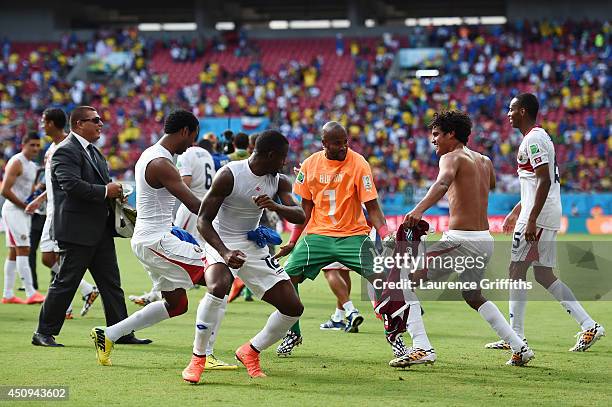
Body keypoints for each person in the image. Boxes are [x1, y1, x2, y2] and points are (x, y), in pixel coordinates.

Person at [389, 110, 535, 367]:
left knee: (404, 281)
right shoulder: (484, 160)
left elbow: (443, 183)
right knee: (472, 294)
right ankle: (519, 347)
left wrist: (419, 209)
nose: (433, 141)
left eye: (436, 135)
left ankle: (422, 347)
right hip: (484, 239)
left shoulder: (450, 157)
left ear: (451, 134)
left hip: (460, 241)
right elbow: (486, 185)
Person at [181, 129, 306, 383]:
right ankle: (198, 358)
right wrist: (225, 252)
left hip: (253, 245)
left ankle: (250, 351)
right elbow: (203, 221)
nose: (285, 162)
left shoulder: (279, 181)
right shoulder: (229, 174)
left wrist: (275, 206)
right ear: (270, 154)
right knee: (218, 286)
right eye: (282, 157)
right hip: (221, 241)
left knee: (293, 308)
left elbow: (300, 215)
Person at [484, 93, 605, 352]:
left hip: (539, 216)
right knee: (543, 274)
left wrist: (531, 219)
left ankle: (515, 337)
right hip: (541, 213)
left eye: (512, 109)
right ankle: (589, 325)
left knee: (515, 270)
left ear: (524, 111)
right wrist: (517, 210)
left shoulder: (535, 138)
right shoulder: (536, 138)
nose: (508, 113)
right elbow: (537, 180)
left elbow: (544, 180)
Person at [90, 110, 209, 366]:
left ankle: (108, 334)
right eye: (193, 137)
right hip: (156, 240)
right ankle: (205, 356)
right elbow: (192, 203)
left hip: (152, 239)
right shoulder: (161, 163)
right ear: (185, 131)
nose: (192, 144)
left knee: (176, 305)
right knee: (217, 276)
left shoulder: (155, 155)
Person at [274, 122, 401, 357]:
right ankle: (293, 332)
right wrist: (292, 242)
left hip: (353, 235)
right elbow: (305, 210)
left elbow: (372, 206)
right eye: (337, 143)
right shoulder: (310, 165)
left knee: (384, 281)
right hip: (317, 235)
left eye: (345, 142)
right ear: (324, 144)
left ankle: (395, 338)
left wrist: (386, 235)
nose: (343, 147)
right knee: (286, 278)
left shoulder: (359, 163)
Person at [33, 106, 150, 347]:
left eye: (100, 120)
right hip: (76, 230)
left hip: (98, 229)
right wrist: (105, 190)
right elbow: (70, 185)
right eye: (95, 120)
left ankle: (121, 331)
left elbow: (96, 186)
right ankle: (43, 333)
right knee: (66, 282)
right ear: (78, 124)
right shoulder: (64, 151)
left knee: (111, 284)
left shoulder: (94, 153)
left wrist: (115, 193)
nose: (100, 124)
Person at [25, 108, 99, 319]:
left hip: (62, 212)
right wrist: (39, 200)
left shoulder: (68, 146)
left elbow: (70, 182)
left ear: (50, 123)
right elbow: (56, 182)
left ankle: (67, 302)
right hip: (52, 209)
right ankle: (84, 291)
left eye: (43, 121)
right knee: (51, 258)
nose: (40, 125)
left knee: (52, 258)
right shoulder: (52, 148)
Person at [174, 135, 237, 370]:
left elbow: (186, 182)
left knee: (182, 247)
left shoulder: (188, 153)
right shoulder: (208, 156)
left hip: (192, 208)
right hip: (209, 208)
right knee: (207, 258)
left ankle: (165, 289)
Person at [1, 132, 45, 305]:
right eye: (31, 145)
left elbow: (27, 188)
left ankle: (8, 294)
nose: (35, 148)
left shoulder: (32, 166)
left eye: (37, 145)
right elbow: (5, 190)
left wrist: (38, 189)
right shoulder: (16, 162)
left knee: (14, 251)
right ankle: (30, 292)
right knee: (24, 248)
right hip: (13, 210)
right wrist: (24, 205)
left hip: (23, 212)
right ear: (23, 145)